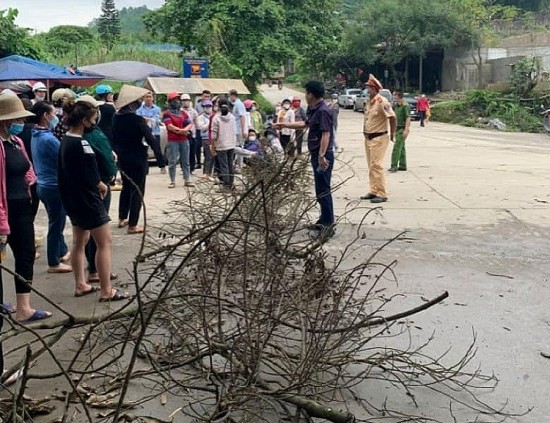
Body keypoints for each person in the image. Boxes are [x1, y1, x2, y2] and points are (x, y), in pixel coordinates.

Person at [58, 96, 128, 302]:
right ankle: (107, 289)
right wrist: (102, 185)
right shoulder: (81, 144)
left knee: (80, 241)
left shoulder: (65, 141)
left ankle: (80, 283)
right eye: (93, 119)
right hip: (88, 200)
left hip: (71, 199)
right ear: (84, 121)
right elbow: (89, 175)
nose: (94, 123)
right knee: (104, 242)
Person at [0, 93, 53, 323]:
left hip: (23, 207)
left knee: (26, 255)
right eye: (16, 120)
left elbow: (27, 169)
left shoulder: (16, 142)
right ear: (5, 121)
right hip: (5, 208)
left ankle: (24, 308)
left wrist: (33, 185)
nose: (20, 124)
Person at [274, 81, 335, 239]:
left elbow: (326, 134)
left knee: (324, 190)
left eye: (306, 93)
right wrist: (284, 124)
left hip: (323, 156)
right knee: (319, 190)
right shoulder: (314, 109)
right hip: (317, 154)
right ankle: (323, 220)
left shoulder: (323, 111)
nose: (305, 96)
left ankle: (328, 225)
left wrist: (322, 155)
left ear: (311, 95)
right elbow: (305, 124)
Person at [29, 101, 72, 273]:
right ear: (45, 116)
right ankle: (53, 261)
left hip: (44, 184)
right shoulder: (47, 139)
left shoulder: (36, 134)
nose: (56, 117)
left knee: (56, 220)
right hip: (53, 186)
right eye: (53, 114)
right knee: (56, 224)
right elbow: (64, 158)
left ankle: (61, 251)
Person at [80, 96, 118, 284]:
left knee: (88, 235)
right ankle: (97, 272)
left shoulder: (89, 133)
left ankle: (96, 269)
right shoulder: (86, 137)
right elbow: (95, 163)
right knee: (100, 237)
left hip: (97, 184)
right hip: (98, 186)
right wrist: (102, 183)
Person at [112, 85, 155, 234]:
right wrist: (160, 159)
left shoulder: (116, 118)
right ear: (132, 103)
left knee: (126, 186)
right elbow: (150, 138)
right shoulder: (137, 119)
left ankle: (122, 217)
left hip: (122, 158)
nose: (139, 102)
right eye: (137, 100)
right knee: (138, 190)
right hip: (138, 158)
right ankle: (133, 224)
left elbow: (113, 138)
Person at [361, 74, 396, 204]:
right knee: (371, 165)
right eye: (366, 87)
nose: (367, 89)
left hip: (379, 137)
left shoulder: (382, 101)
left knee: (377, 165)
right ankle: (373, 190)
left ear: (375, 88)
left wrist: (392, 134)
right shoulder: (369, 102)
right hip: (369, 138)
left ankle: (382, 193)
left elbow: (392, 117)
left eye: (369, 87)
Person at [163, 92, 194, 188]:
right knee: (172, 161)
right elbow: (170, 126)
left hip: (184, 140)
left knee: (185, 160)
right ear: (170, 102)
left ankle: (187, 179)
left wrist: (185, 130)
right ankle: (172, 181)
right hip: (173, 140)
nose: (176, 101)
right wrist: (182, 131)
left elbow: (189, 123)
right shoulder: (167, 114)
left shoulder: (183, 113)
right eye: (174, 100)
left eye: (177, 99)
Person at [211, 97, 237, 192]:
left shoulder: (216, 118)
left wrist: (213, 145)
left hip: (221, 145)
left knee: (224, 165)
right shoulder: (232, 117)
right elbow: (234, 131)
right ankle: (231, 184)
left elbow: (214, 134)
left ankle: (226, 186)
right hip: (231, 144)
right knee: (230, 164)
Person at [136, 91, 166, 174]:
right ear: (144, 98)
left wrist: (146, 119)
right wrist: (148, 119)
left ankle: (162, 166)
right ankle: (145, 170)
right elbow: (139, 118)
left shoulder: (157, 109)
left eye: (150, 96)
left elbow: (157, 119)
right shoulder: (139, 109)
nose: (148, 98)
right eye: (146, 97)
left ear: (153, 98)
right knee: (144, 151)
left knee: (157, 150)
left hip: (155, 132)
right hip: (143, 133)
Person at [389, 91, 411, 172]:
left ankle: (394, 165)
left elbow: (408, 118)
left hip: (402, 128)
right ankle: (402, 165)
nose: (393, 96)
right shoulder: (396, 106)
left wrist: (406, 129)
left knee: (397, 147)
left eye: (394, 95)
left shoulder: (405, 106)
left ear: (398, 96)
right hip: (397, 128)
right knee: (401, 147)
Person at [181, 94, 200, 171]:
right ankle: (184, 168)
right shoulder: (179, 111)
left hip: (192, 134)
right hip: (183, 134)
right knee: (184, 152)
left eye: (187, 100)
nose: (185, 102)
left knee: (192, 152)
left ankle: (191, 168)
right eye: (184, 100)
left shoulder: (194, 112)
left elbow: (197, 123)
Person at [196, 99, 215, 180]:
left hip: (213, 138)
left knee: (212, 156)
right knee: (208, 156)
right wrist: (210, 123)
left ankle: (209, 173)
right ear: (203, 107)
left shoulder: (214, 116)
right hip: (205, 138)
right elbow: (201, 127)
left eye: (210, 106)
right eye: (206, 106)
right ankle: (206, 173)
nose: (208, 108)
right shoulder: (200, 117)